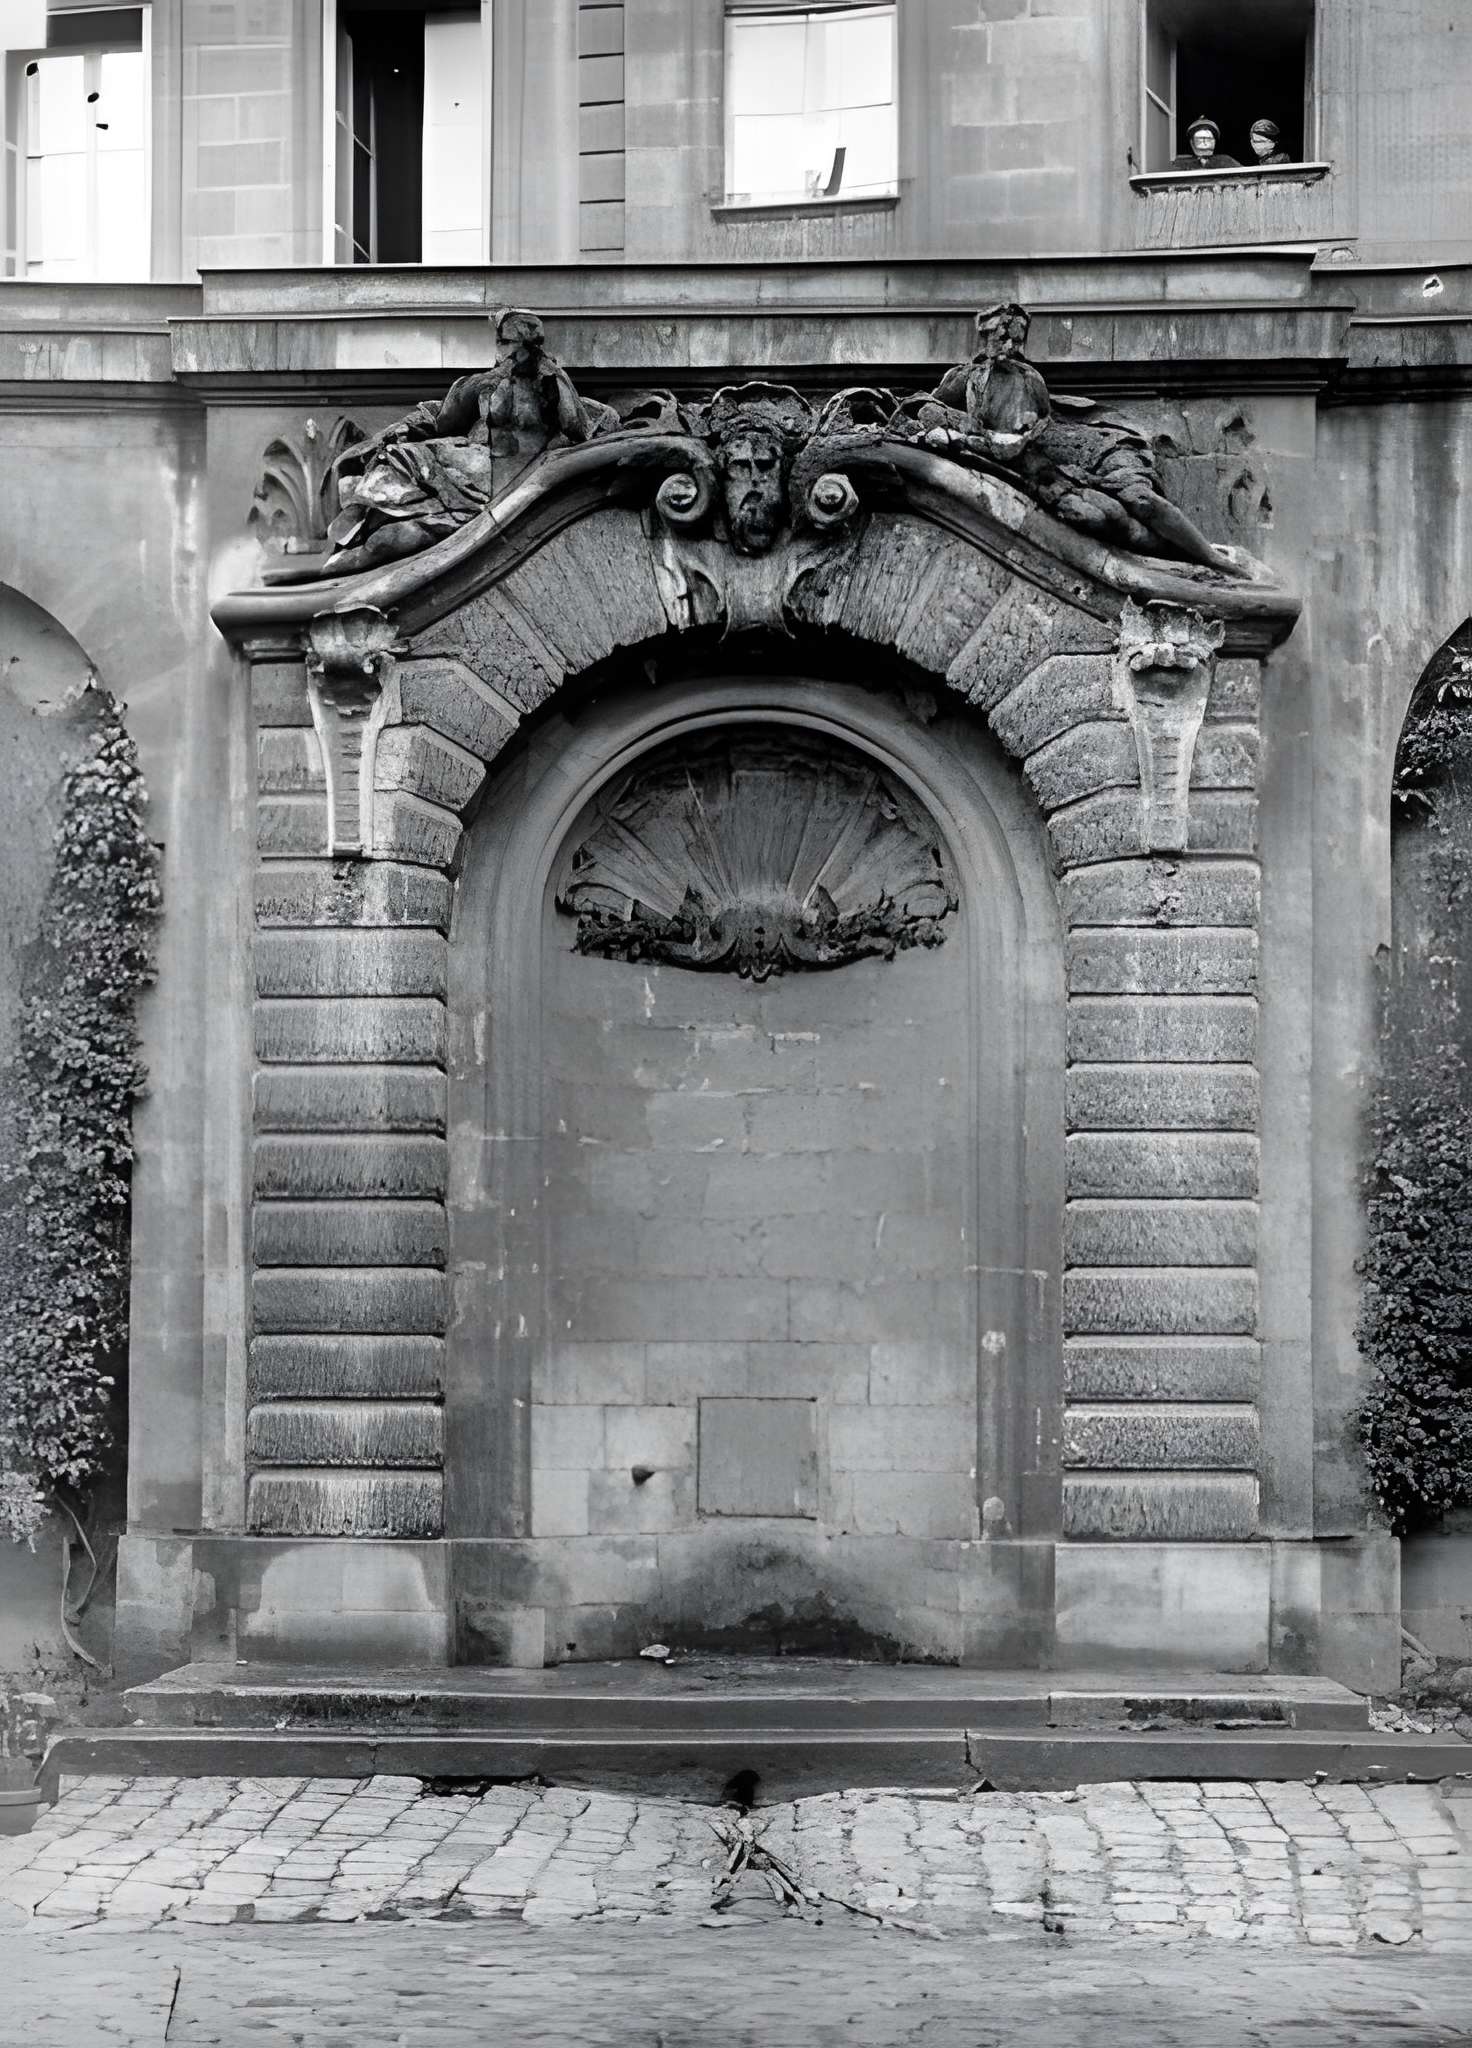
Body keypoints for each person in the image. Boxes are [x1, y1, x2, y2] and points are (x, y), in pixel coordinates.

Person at [1171, 117, 1241, 170]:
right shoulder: (1181, 162)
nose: (1204, 142)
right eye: (1200, 139)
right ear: (1192, 142)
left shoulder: (1226, 160)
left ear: (1214, 142)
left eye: (1208, 139)